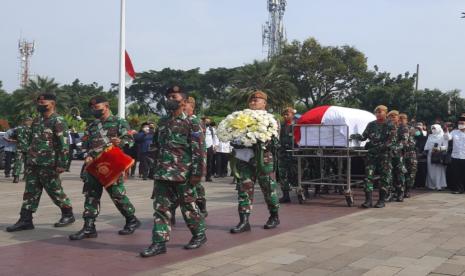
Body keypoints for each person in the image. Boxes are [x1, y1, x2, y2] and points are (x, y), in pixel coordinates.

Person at [140, 86, 206, 258]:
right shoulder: (162, 122)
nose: (170, 99)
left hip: (183, 173)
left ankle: (199, 234)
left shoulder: (193, 122)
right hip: (162, 173)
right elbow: (157, 145)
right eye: (168, 96)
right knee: (161, 208)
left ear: (183, 101)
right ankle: (159, 242)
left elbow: (199, 151)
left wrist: (197, 174)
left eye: (174, 96)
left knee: (188, 207)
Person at [69, 96, 140, 240]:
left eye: (97, 107)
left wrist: (121, 141)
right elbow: (86, 144)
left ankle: (131, 219)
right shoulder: (92, 126)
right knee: (91, 196)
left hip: (111, 164)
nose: (94, 110)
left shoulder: (119, 122)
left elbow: (130, 141)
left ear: (106, 106)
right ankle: (89, 227)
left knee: (117, 194)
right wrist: (87, 155)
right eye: (92, 108)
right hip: (93, 165)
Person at [6, 93, 75, 232]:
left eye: (44, 105)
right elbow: (33, 139)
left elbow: (64, 144)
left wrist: (62, 164)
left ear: (53, 104)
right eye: (39, 104)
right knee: (30, 192)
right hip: (33, 162)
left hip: (49, 164)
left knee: (54, 190)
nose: (41, 106)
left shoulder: (58, 120)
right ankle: (25, 220)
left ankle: (68, 213)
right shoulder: (37, 120)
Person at [230, 90, 280, 234]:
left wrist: (257, 141)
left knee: (269, 189)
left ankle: (274, 216)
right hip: (244, 159)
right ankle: (244, 221)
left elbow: (274, 140)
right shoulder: (240, 118)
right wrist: (237, 141)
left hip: (263, 159)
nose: (253, 102)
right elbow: (233, 135)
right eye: (251, 100)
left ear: (264, 103)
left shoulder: (271, 119)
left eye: (257, 100)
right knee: (243, 189)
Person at [351, 105, 396, 208]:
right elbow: (364, 137)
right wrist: (356, 136)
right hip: (371, 155)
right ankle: (368, 200)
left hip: (384, 155)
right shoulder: (371, 124)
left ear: (385, 113)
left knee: (384, 177)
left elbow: (391, 141)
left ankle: (381, 200)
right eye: (376, 112)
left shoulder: (390, 125)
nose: (378, 114)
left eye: (380, 112)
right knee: (368, 177)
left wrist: (381, 147)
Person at [184, 97, 208, 217]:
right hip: (178, 163)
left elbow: (200, 147)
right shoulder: (177, 120)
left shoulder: (195, 121)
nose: (183, 107)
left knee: (196, 186)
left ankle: (201, 205)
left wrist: (199, 168)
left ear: (192, 107)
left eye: (185, 105)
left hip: (192, 160)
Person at [278, 107, 298, 203]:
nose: (285, 116)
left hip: (294, 153)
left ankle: (302, 191)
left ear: (292, 115)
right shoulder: (281, 126)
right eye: (284, 115)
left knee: (296, 173)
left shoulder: (297, 125)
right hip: (283, 153)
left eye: (287, 114)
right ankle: (286, 195)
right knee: (283, 174)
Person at [387, 110, 407, 202]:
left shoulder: (402, 128)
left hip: (398, 155)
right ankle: (390, 193)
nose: (392, 118)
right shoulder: (387, 127)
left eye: (394, 117)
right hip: (388, 155)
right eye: (390, 117)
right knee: (389, 175)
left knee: (399, 174)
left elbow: (404, 141)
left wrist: (395, 147)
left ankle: (400, 193)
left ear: (398, 118)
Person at [424, 124, 448, 191]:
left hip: (438, 155)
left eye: (435, 128)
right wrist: (426, 150)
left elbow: (446, 147)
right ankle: (431, 185)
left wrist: (438, 149)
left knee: (438, 171)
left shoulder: (443, 136)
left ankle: (439, 185)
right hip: (430, 155)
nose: (433, 130)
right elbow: (426, 145)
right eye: (432, 128)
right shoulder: (430, 136)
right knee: (430, 170)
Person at [444, 116, 465, 194]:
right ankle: (459, 189)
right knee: (457, 174)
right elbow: (447, 138)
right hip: (455, 156)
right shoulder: (454, 132)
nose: (460, 124)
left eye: (462, 123)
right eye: (459, 123)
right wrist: (446, 131)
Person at [399, 113, 417, 198]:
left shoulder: (411, 128)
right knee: (401, 172)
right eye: (400, 119)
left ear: (406, 120)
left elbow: (416, 134)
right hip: (401, 153)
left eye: (403, 119)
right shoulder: (396, 128)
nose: (401, 120)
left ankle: (408, 190)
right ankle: (401, 190)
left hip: (410, 153)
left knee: (411, 173)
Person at [12, 117, 33, 183]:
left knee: (18, 162)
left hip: (19, 148)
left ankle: (16, 177)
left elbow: (14, 136)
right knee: (28, 163)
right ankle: (26, 177)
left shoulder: (18, 128)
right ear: (29, 121)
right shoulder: (32, 129)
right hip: (28, 148)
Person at [203, 117, 218, 182]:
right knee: (201, 162)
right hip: (201, 147)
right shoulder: (199, 128)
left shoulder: (212, 129)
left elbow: (215, 138)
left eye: (208, 122)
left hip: (209, 146)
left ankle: (208, 177)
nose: (207, 123)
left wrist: (215, 146)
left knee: (209, 162)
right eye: (206, 121)